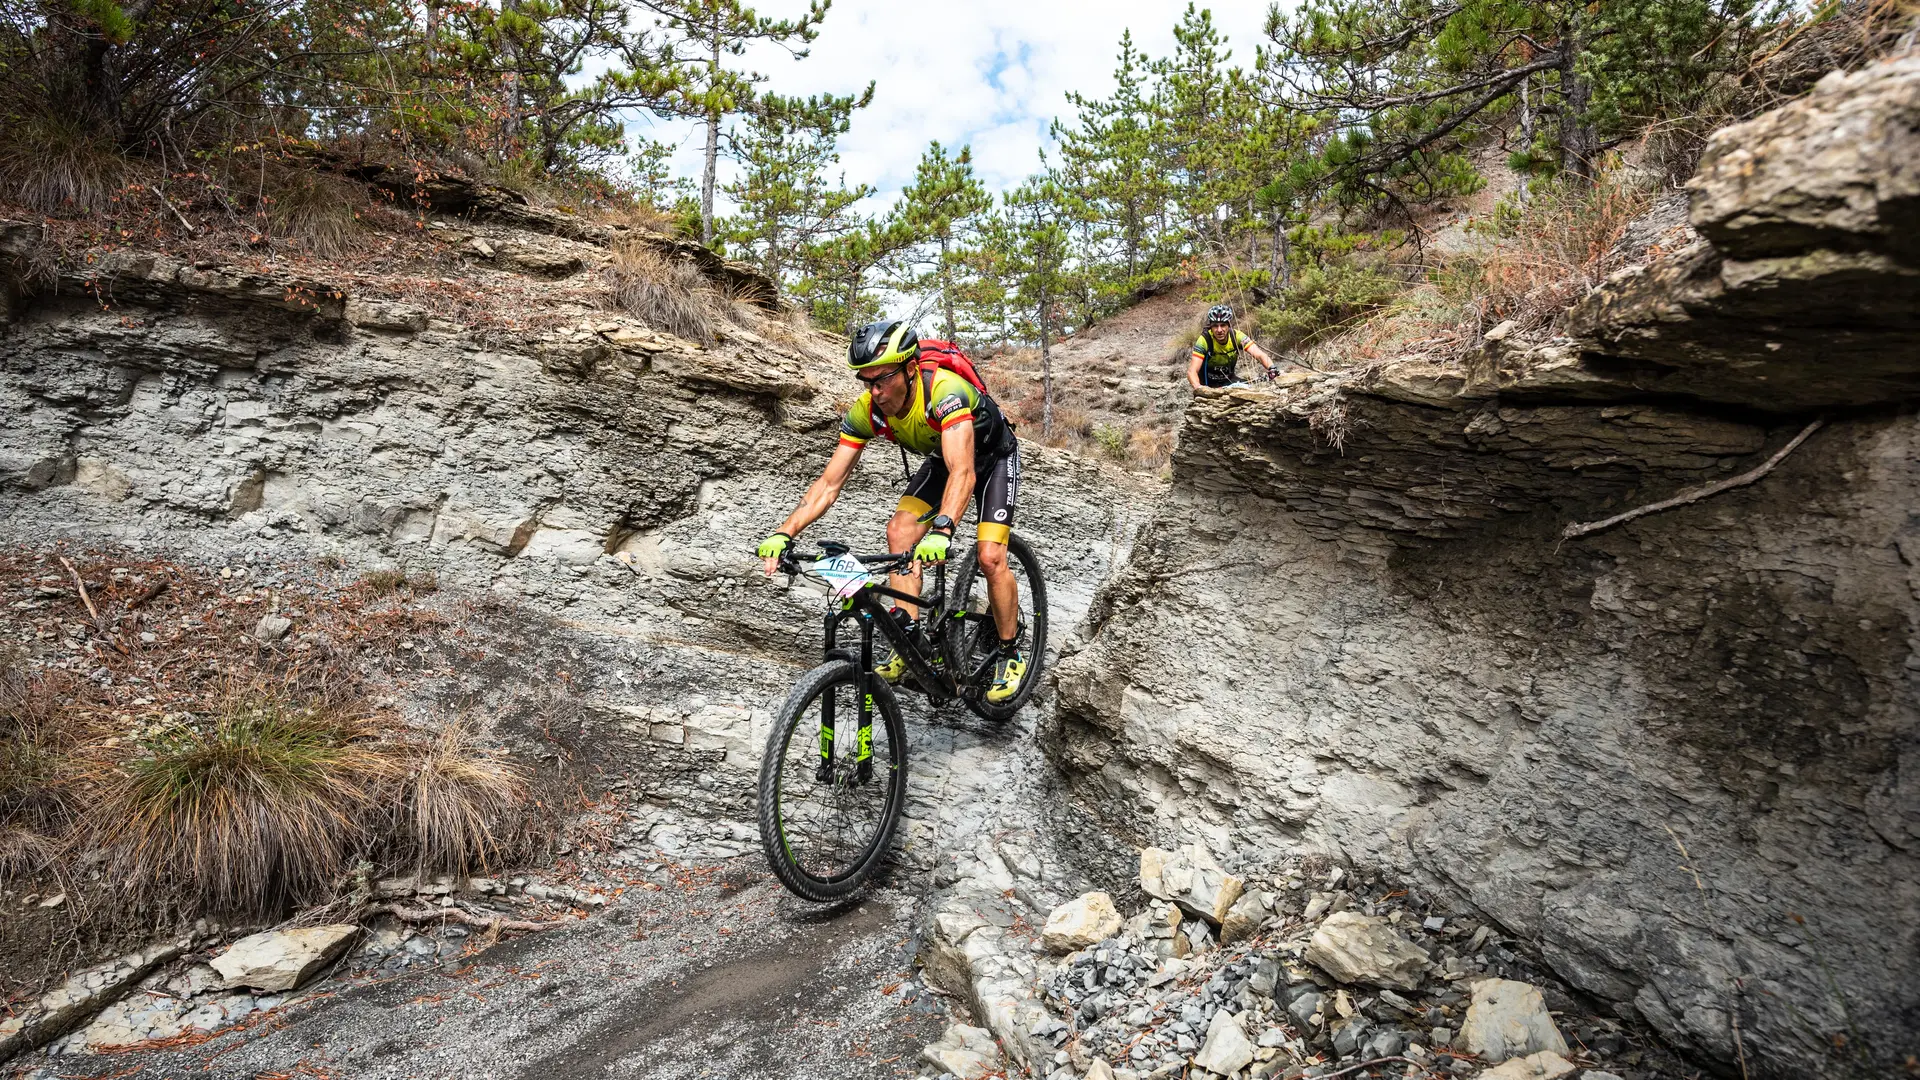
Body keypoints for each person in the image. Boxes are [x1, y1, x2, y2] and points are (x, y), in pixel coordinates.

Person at [756, 320, 1028, 704]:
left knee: (990, 556)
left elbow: (964, 472)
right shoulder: (867, 410)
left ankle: (1010, 650)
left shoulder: (944, 393)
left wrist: (942, 530)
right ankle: (910, 642)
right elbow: (829, 483)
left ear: (910, 368)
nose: (875, 391)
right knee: (899, 535)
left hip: (992, 459)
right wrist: (785, 532)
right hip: (943, 461)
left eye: (882, 379)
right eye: (866, 382)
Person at [1187, 304, 1281, 389]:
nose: (1219, 330)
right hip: (1207, 384)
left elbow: (1259, 354)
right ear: (1210, 327)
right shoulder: (1204, 340)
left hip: (1229, 381)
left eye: (1223, 325)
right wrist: (1198, 387)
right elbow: (1192, 371)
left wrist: (1271, 367)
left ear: (1229, 325)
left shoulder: (1237, 336)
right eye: (1215, 326)